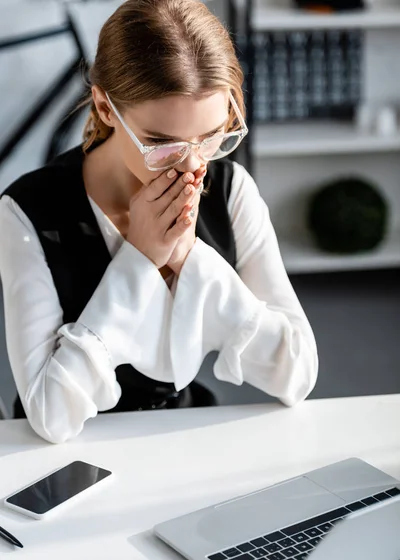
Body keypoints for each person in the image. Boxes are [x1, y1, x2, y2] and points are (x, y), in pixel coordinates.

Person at [0, 0, 318, 444]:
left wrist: (191, 259)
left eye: (211, 137)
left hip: (181, 436)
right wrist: (140, 260)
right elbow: (50, 415)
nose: (191, 166)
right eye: (161, 143)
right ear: (105, 108)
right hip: (64, 459)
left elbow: (299, 374)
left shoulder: (231, 190)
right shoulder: (27, 211)